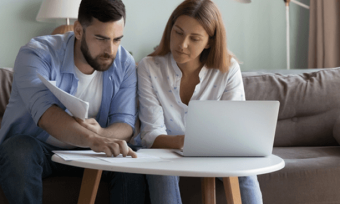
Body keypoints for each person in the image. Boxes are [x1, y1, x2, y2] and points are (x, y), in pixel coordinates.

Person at [0, 0, 146, 203]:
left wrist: (103, 135)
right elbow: (46, 115)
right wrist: (93, 140)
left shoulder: (124, 63)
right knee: (18, 150)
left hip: (93, 153)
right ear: (78, 30)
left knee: (133, 159)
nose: (110, 50)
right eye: (101, 38)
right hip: (40, 148)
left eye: (117, 40)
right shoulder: (36, 54)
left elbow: (125, 124)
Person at [136, 0, 263, 203]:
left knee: (245, 172)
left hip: (215, 153)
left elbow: (234, 131)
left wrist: (202, 145)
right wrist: (185, 142)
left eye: (194, 38)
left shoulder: (228, 70)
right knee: (160, 173)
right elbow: (151, 135)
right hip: (165, 152)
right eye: (177, 32)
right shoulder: (149, 67)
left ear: (210, 42)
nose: (182, 44)